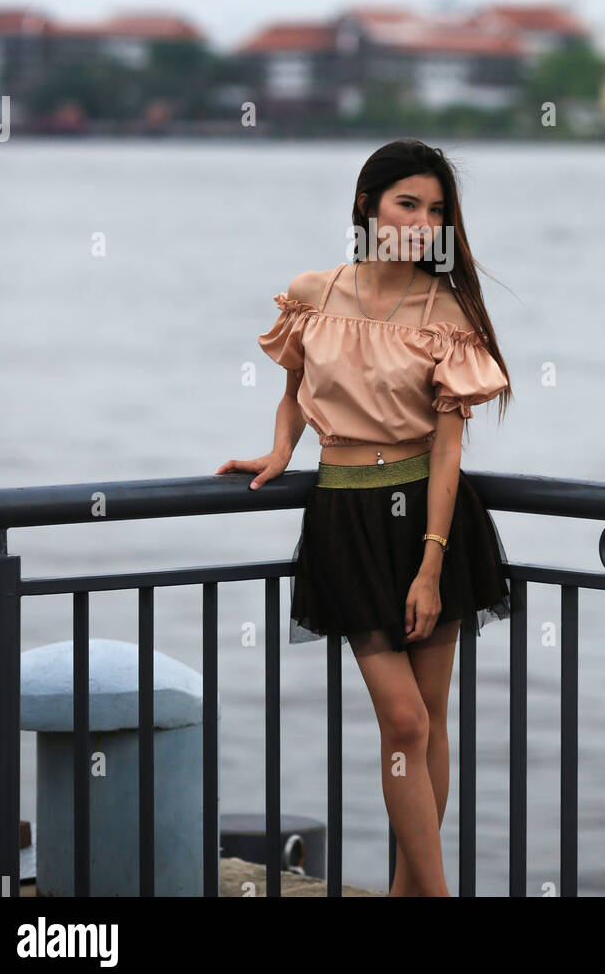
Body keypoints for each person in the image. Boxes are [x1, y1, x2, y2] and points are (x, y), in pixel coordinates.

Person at [215, 138, 513, 897]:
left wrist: (432, 563)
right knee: (404, 723)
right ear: (366, 205)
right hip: (343, 517)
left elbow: (448, 450)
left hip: (432, 523)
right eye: (406, 204)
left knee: (428, 721)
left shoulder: (447, 312)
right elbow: (293, 388)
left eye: (436, 209)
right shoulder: (312, 293)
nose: (421, 222)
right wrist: (279, 451)